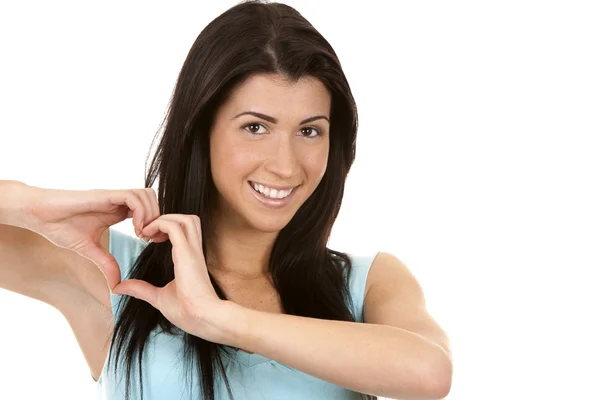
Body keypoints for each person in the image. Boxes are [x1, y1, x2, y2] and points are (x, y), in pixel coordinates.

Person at [0, 1, 452, 399]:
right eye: (256, 127)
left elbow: (429, 374)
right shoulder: (113, 274)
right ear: (203, 131)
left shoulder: (367, 282)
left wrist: (219, 320)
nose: (285, 166)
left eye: (309, 131)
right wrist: (33, 205)